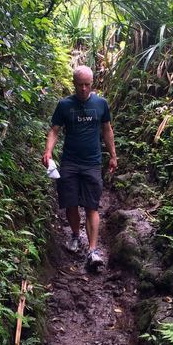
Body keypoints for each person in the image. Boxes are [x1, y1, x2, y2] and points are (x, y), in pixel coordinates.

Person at [41, 65, 117, 267]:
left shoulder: (101, 103)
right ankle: (75, 235)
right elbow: (55, 130)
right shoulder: (64, 105)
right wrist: (48, 151)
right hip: (70, 162)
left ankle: (92, 251)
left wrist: (113, 156)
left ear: (92, 83)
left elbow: (107, 130)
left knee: (92, 206)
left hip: (92, 162)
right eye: (80, 85)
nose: (83, 89)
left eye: (87, 85)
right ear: (74, 84)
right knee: (71, 203)